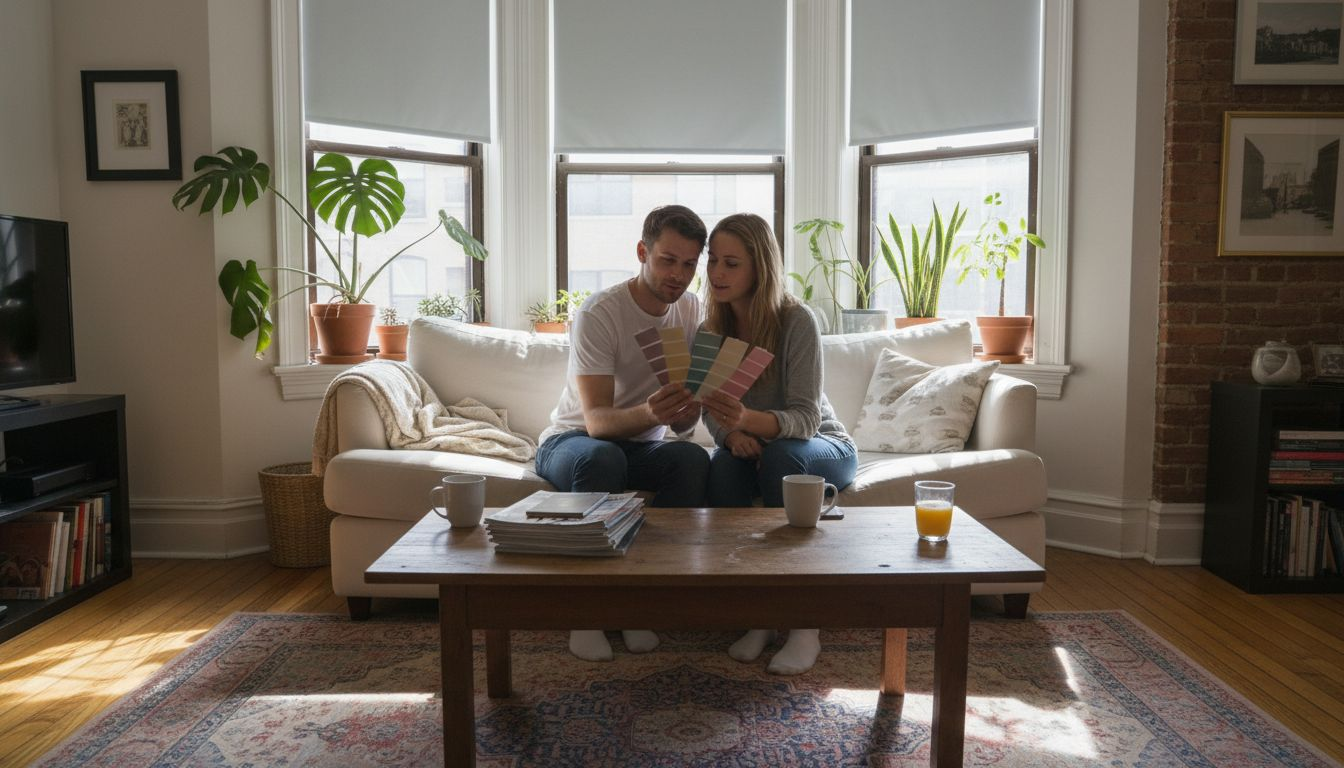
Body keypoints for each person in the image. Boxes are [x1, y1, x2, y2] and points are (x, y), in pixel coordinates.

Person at [536, 204, 711, 662]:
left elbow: (682, 426)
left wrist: (685, 412)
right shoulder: (601, 313)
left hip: (641, 445)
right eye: (667, 260)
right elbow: (596, 422)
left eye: (690, 264)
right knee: (603, 458)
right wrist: (655, 412)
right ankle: (587, 611)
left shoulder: (689, 309)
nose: (678, 275)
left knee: (692, 459)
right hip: (572, 441)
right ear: (642, 252)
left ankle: (641, 602)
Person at [698, 212, 858, 675]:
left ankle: (804, 625)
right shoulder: (712, 330)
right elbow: (712, 411)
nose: (717, 274)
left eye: (732, 263)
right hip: (759, 445)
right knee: (722, 469)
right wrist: (733, 435)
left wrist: (750, 419)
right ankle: (760, 616)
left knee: (785, 460)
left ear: (759, 268)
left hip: (822, 445)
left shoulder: (796, 320)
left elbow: (807, 419)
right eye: (714, 261)